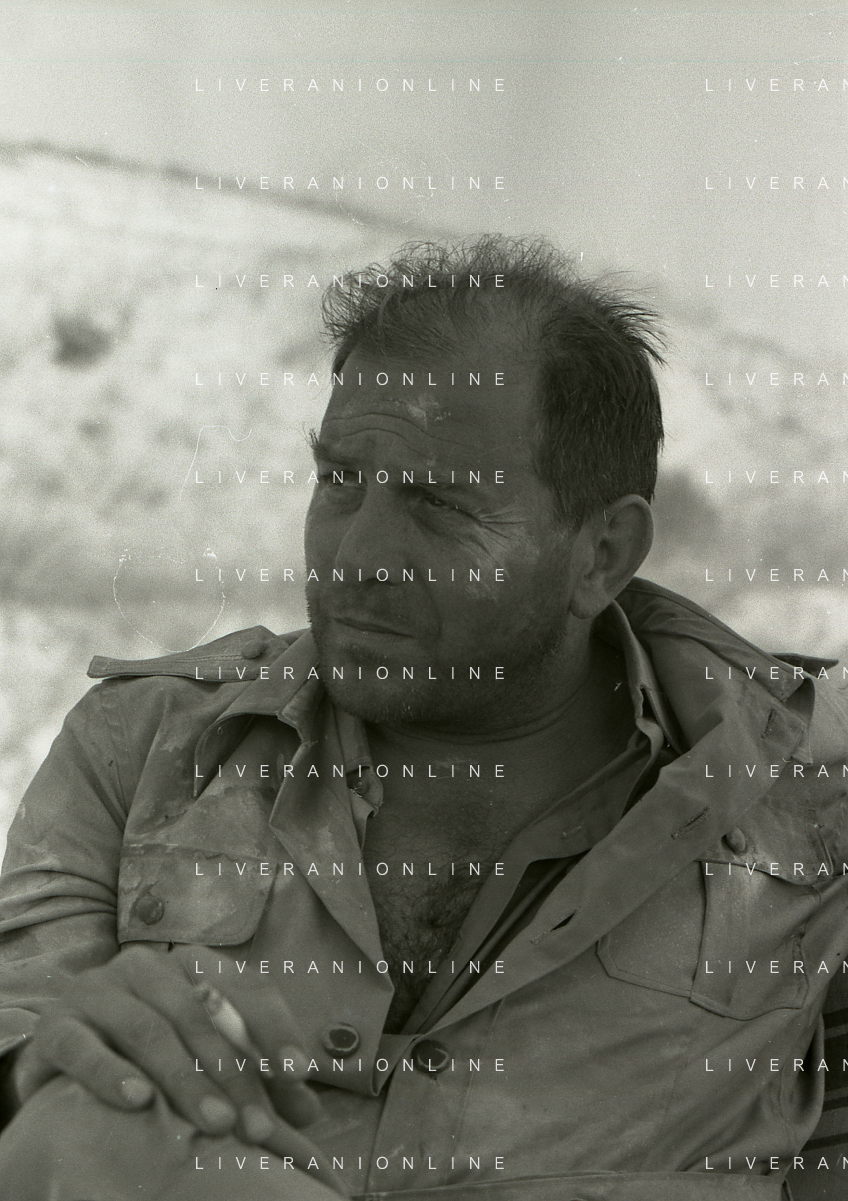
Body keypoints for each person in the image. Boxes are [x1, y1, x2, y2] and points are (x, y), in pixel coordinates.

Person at [0, 236, 846, 1201]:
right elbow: (23, 1050)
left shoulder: (811, 811)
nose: (357, 554)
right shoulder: (141, 746)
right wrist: (46, 1067)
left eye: (440, 503)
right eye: (339, 480)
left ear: (603, 553)